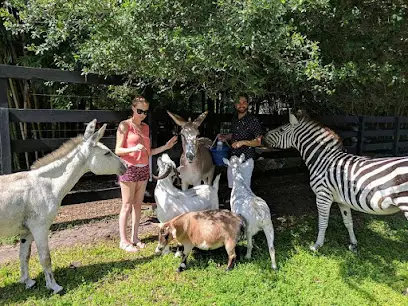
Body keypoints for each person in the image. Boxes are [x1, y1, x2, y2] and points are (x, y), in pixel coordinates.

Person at [115, 96, 178, 252]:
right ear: (133, 108)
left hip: (143, 169)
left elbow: (149, 152)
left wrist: (166, 146)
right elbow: (118, 150)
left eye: (145, 112)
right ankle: (124, 240)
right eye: (139, 111)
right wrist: (133, 149)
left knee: (138, 205)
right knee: (127, 205)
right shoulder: (125, 125)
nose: (142, 114)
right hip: (129, 168)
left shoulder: (145, 128)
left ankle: (135, 238)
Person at [218, 93, 263, 189]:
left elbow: (258, 142)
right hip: (233, 158)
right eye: (239, 103)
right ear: (235, 105)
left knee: (244, 187)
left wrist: (242, 142)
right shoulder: (234, 119)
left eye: (244, 102)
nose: (241, 105)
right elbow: (233, 134)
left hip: (247, 158)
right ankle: (233, 202)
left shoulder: (253, 120)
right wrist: (225, 137)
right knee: (232, 186)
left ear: (248, 104)